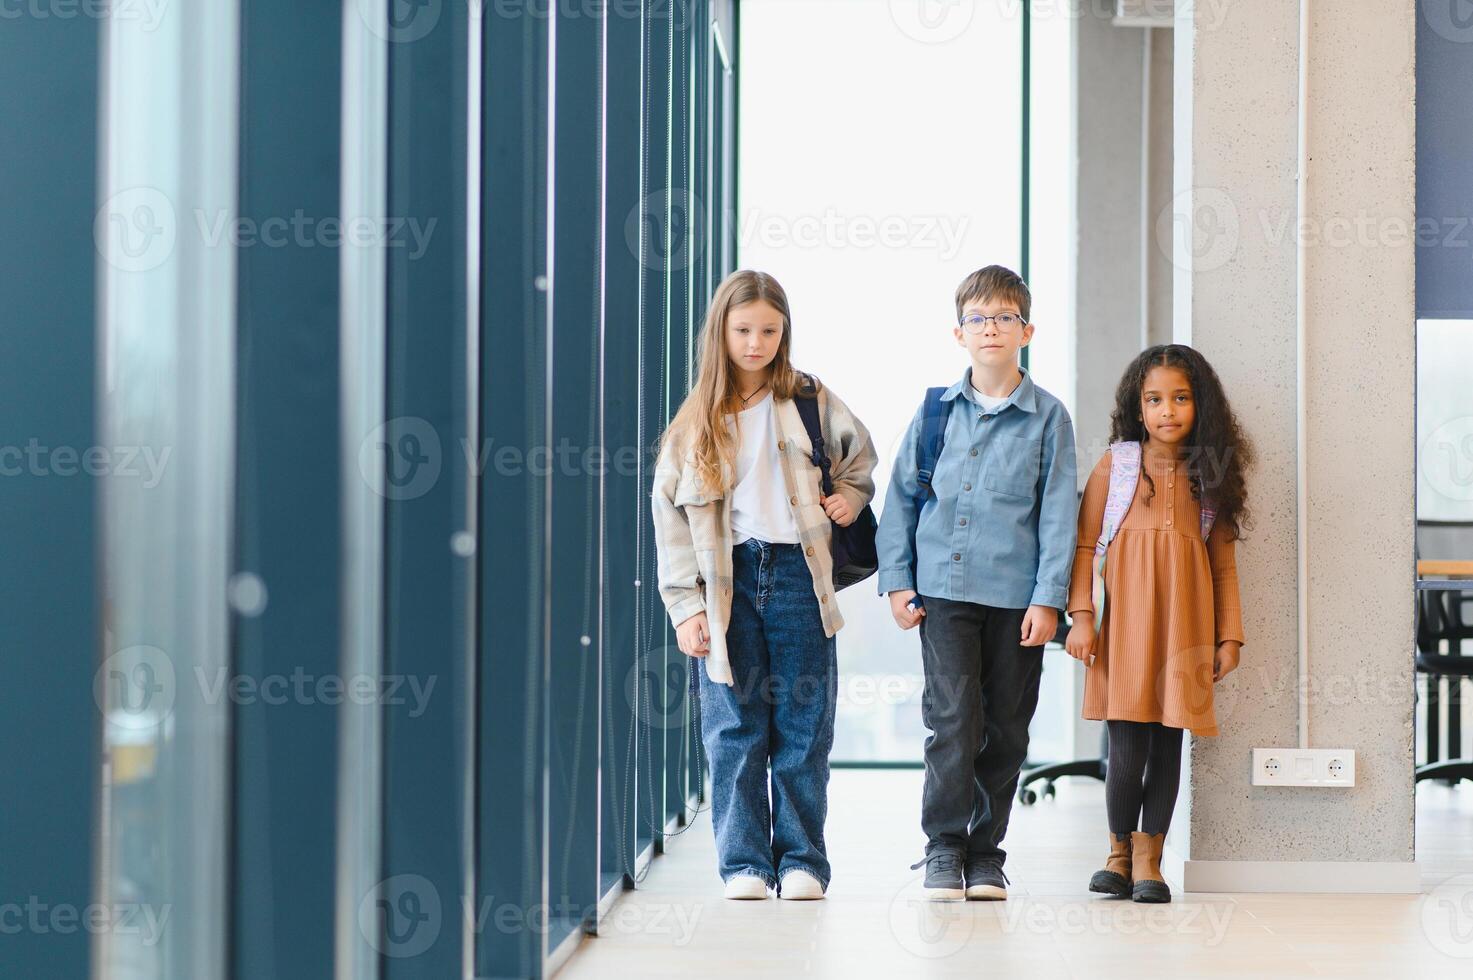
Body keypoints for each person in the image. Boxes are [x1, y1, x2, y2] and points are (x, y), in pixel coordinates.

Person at [651, 269, 877, 901]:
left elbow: (860, 459)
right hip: (728, 584)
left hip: (802, 577)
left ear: (784, 333)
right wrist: (684, 609)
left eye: (769, 331)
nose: (756, 343)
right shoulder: (696, 419)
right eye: (743, 330)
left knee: (805, 726)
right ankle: (745, 865)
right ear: (721, 332)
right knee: (734, 728)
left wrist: (850, 499)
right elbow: (668, 518)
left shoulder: (808, 398)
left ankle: (803, 861)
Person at [875, 264, 1077, 901]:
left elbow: (1058, 513)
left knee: (1008, 727)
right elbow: (902, 498)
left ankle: (986, 853)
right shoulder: (936, 411)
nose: (991, 329)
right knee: (953, 722)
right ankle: (944, 848)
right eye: (978, 318)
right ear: (958, 332)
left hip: (1017, 602)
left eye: (1005, 318)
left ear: (1027, 329)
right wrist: (897, 583)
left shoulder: (1049, 417)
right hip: (943, 592)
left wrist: (1049, 599)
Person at [1064, 344, 1252, 903]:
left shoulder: (1209, 475)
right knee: (1124, 748)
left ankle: (1152, 859)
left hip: (1185, 631)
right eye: (1154, 399)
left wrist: (1229, 635)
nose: (1167, 410)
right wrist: (1080, 616)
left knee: (1168, 745)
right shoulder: (1117, 466)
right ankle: (1117, 853)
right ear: (1137, 407)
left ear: (1201, 406)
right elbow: (1083, 546)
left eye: (1180, 398)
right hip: (1123, 630)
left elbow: (1223, 564)